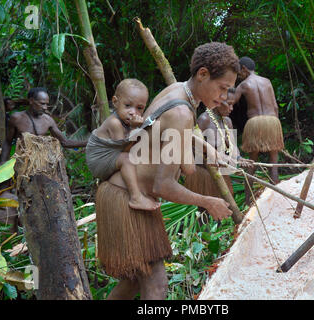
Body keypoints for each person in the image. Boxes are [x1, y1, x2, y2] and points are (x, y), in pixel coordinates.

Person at [94, 42, 239, 300]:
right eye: (222, 88)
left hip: (121, 193)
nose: (224, 97)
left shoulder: (176, 92)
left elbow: (172, 143)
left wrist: (207, 149)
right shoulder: (182, 112)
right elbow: (164, 186)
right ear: (203, 74)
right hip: (129, 200)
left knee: (133, 281)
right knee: (157, 285)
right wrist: (207, 202)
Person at [86, 79, 160, 211]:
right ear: (115, 102)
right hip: (99, 160)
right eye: (128, 106)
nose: (133, 112)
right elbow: (125, 149)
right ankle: (136, 197)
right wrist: (134, 129)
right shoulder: (115, 123)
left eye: (139, 108)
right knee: (127, 159)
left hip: (114, 153)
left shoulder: (126, 121)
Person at [0, 87, 87, 165]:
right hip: (22, 163)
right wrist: (3, 162)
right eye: (42, 103)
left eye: (46, 104)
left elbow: (65, 142)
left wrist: (90, 142)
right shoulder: (16, 118)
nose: (45, 107)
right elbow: (8, 142)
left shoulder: (48, 120)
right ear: (31, 101)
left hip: (41, 165)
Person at [233, 56, 284, 187]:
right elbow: (275, 106)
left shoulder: (243, 85)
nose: (238, 76)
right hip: (272, 121)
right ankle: (276, 195)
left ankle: (248, 200)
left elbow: (230, 102)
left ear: (244, 69)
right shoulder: (267, 81)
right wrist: (276, 128)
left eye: (239, 72)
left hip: (254, 122)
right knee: (274, 162)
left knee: (252, 162)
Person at [184, 88, 241, 199]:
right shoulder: (204, 120)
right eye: (229, 104)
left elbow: (233, 145)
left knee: (223, 208)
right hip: (204, 173)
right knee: (204, 211)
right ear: (219, 101)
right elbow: (192, 148)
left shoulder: (227, 121)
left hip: (221, 172)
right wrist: (213, 158)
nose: (231, 109)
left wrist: (239, 158)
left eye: (232, 105)